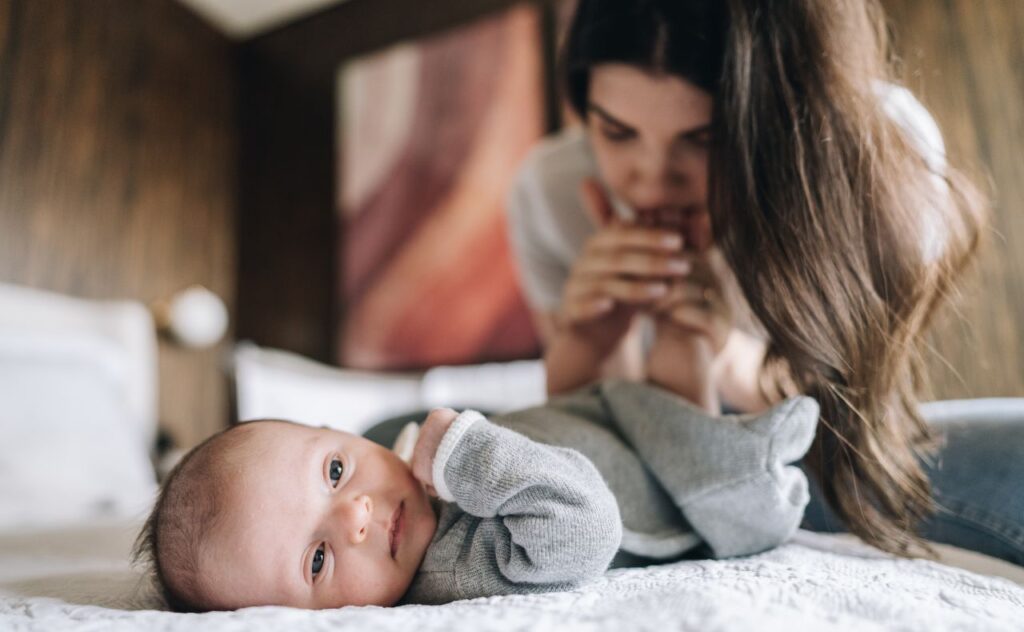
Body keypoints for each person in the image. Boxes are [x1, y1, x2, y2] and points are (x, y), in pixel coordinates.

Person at [507, 0, 1023, 566]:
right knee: (401, 433)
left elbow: (859, 419)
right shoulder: (552, 190)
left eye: (704, 138)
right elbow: (586, 441)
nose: (652, 179)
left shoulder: (878, 154)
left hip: (831, 448)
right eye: (617, 131)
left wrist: (722, 353)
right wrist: (592, 338)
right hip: (640, 455)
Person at [131, 379, 820, 610]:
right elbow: (587, 528)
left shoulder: (396, 469)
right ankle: (748, 463)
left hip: (599, 418)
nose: (355, 515)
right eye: (317, 560)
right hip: (646, 485)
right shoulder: (452, 570)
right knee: (706, 470)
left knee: (618, 395)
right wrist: (470, 454)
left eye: (335, 471)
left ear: (336, 433)